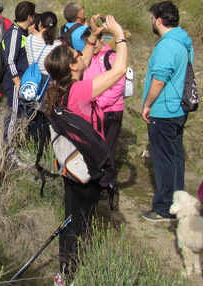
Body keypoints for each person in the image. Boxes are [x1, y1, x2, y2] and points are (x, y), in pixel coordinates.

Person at [42, 14, 128, 280]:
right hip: (87, 166)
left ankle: (67, 270)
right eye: (76, 55)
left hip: (72, 165)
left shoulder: (59, 87)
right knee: (79, 222)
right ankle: (66, 274)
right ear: (71, 66)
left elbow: (85, 61)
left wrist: (93, 37)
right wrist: (119, 36)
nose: (81, 54)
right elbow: (119, 71)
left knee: (74, 217)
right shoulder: (79, 91)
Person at [140, 1, 194, 221]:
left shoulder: (167, 46)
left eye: (152, 19)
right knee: (175, 157)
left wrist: (147, 104)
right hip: (178, 107)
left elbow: (160, 79)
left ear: (160, 20)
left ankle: (163, 207)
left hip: (164, 109)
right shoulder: (184, 41)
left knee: (164, 161)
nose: (152, 22)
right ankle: (178, 201)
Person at [80, 28, 126, 210]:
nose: (91, 45)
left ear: (101, 39)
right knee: (95, 146)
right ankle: (97, 180)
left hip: (110, 110)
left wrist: (101, 102)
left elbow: (118, 83)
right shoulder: (88, 58)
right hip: (92, 109)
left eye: (94, 41)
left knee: (107, 147)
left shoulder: (111, 57)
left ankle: (107, 185)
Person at [24, 11, 60, 165]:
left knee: (32, 116)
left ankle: (32, 147)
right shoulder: (58, 45)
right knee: (47, 117)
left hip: (33, 80)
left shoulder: (30, 40)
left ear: (39, 24)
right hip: (49, 82)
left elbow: (34, 34)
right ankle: (45, 150)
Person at [1, 1, 37, 145]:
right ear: (29, 17)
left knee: (20, 114)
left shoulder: (22, 32)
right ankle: (8, 149)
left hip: (21, 80)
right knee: (14, 115)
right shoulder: (14, 34)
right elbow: (10, 61)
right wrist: (17, 83)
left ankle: (17, 144)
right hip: (15, 82)